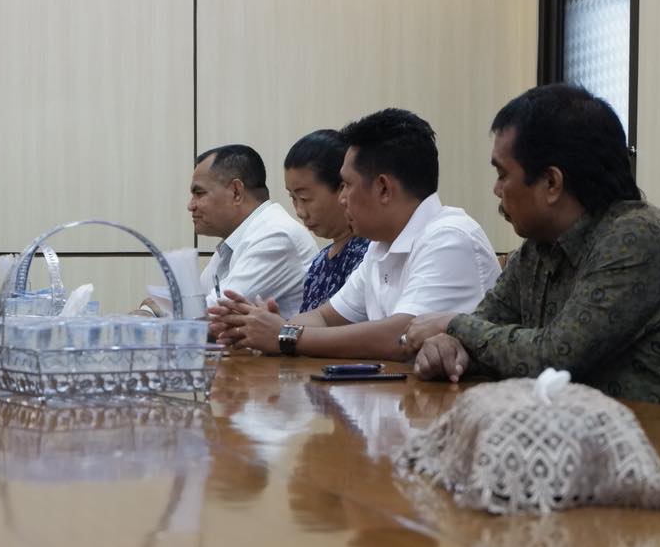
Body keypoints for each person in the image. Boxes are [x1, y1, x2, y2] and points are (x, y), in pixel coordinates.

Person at [407, 84, 660, 408]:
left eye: (502, 174)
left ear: (551, 183)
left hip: (654, 435)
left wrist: (452, 324)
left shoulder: (638, 238)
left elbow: (555, 357)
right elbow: (484, 332)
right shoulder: (538, 247)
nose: (496, 189)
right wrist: (449, 347)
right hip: (564, 431)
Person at [212, 109, 500, 360]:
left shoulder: (449, 237)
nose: (342, 198)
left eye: (347, 185)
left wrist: (285, 335)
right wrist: (260, 326)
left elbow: (403, 337)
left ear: (383, 188)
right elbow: (325, 317)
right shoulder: (380, 246)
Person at [191, 144, 318, 320]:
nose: (191, 205)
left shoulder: (275, 234)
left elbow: (209, 313)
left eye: (199, 193)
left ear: (236, 192)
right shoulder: (236, 240)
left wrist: (158, 310)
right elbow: (198, 302)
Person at [284, 130, 369, 312]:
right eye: (293, 198)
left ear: (343, 189)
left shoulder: (368, 254)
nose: (299, 212)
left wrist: (281, 326)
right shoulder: (319, 262)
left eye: (305, 198)